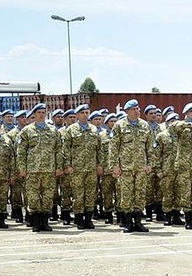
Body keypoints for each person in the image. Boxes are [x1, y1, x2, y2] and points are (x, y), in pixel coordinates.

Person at [16, 103, 63, 232]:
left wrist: (59, 167)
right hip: (32, 170)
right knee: (33, 196)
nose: (41, 114)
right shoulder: (27, 131)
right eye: (39, 112)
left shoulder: (53, 130)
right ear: (34, 114)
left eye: (43, 112)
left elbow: (58, 150)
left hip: (49, 169)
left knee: (48, 196)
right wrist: (22, 168)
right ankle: (36, 222)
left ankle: (45, 222)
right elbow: (21, 151)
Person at [108, 99, 153, 233]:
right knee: (126, 195)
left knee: (140, 194)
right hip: (125, 167)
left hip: (141, 167)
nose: (136, 111)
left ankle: (138, 222)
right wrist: (115, 165)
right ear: (127, 111)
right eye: (133, 109)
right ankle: (127, 223)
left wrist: (150, 163)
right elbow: (113, 147)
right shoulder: (119, 125)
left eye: (138, 108)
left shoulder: (145, 126)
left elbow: (150, 147)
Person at [62, 104, 103, 230]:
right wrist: (67, 165)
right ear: (78, 115)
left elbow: (99, 149)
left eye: (87, 112)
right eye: (82, 113)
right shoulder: (71, 130)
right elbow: (66, 149)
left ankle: (89, 220)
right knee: (78, 195)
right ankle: (79, 220)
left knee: (91, 195)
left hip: (91, 168)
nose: (85, 115)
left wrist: (99, 164)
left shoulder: (94, 129)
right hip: (77, 169)